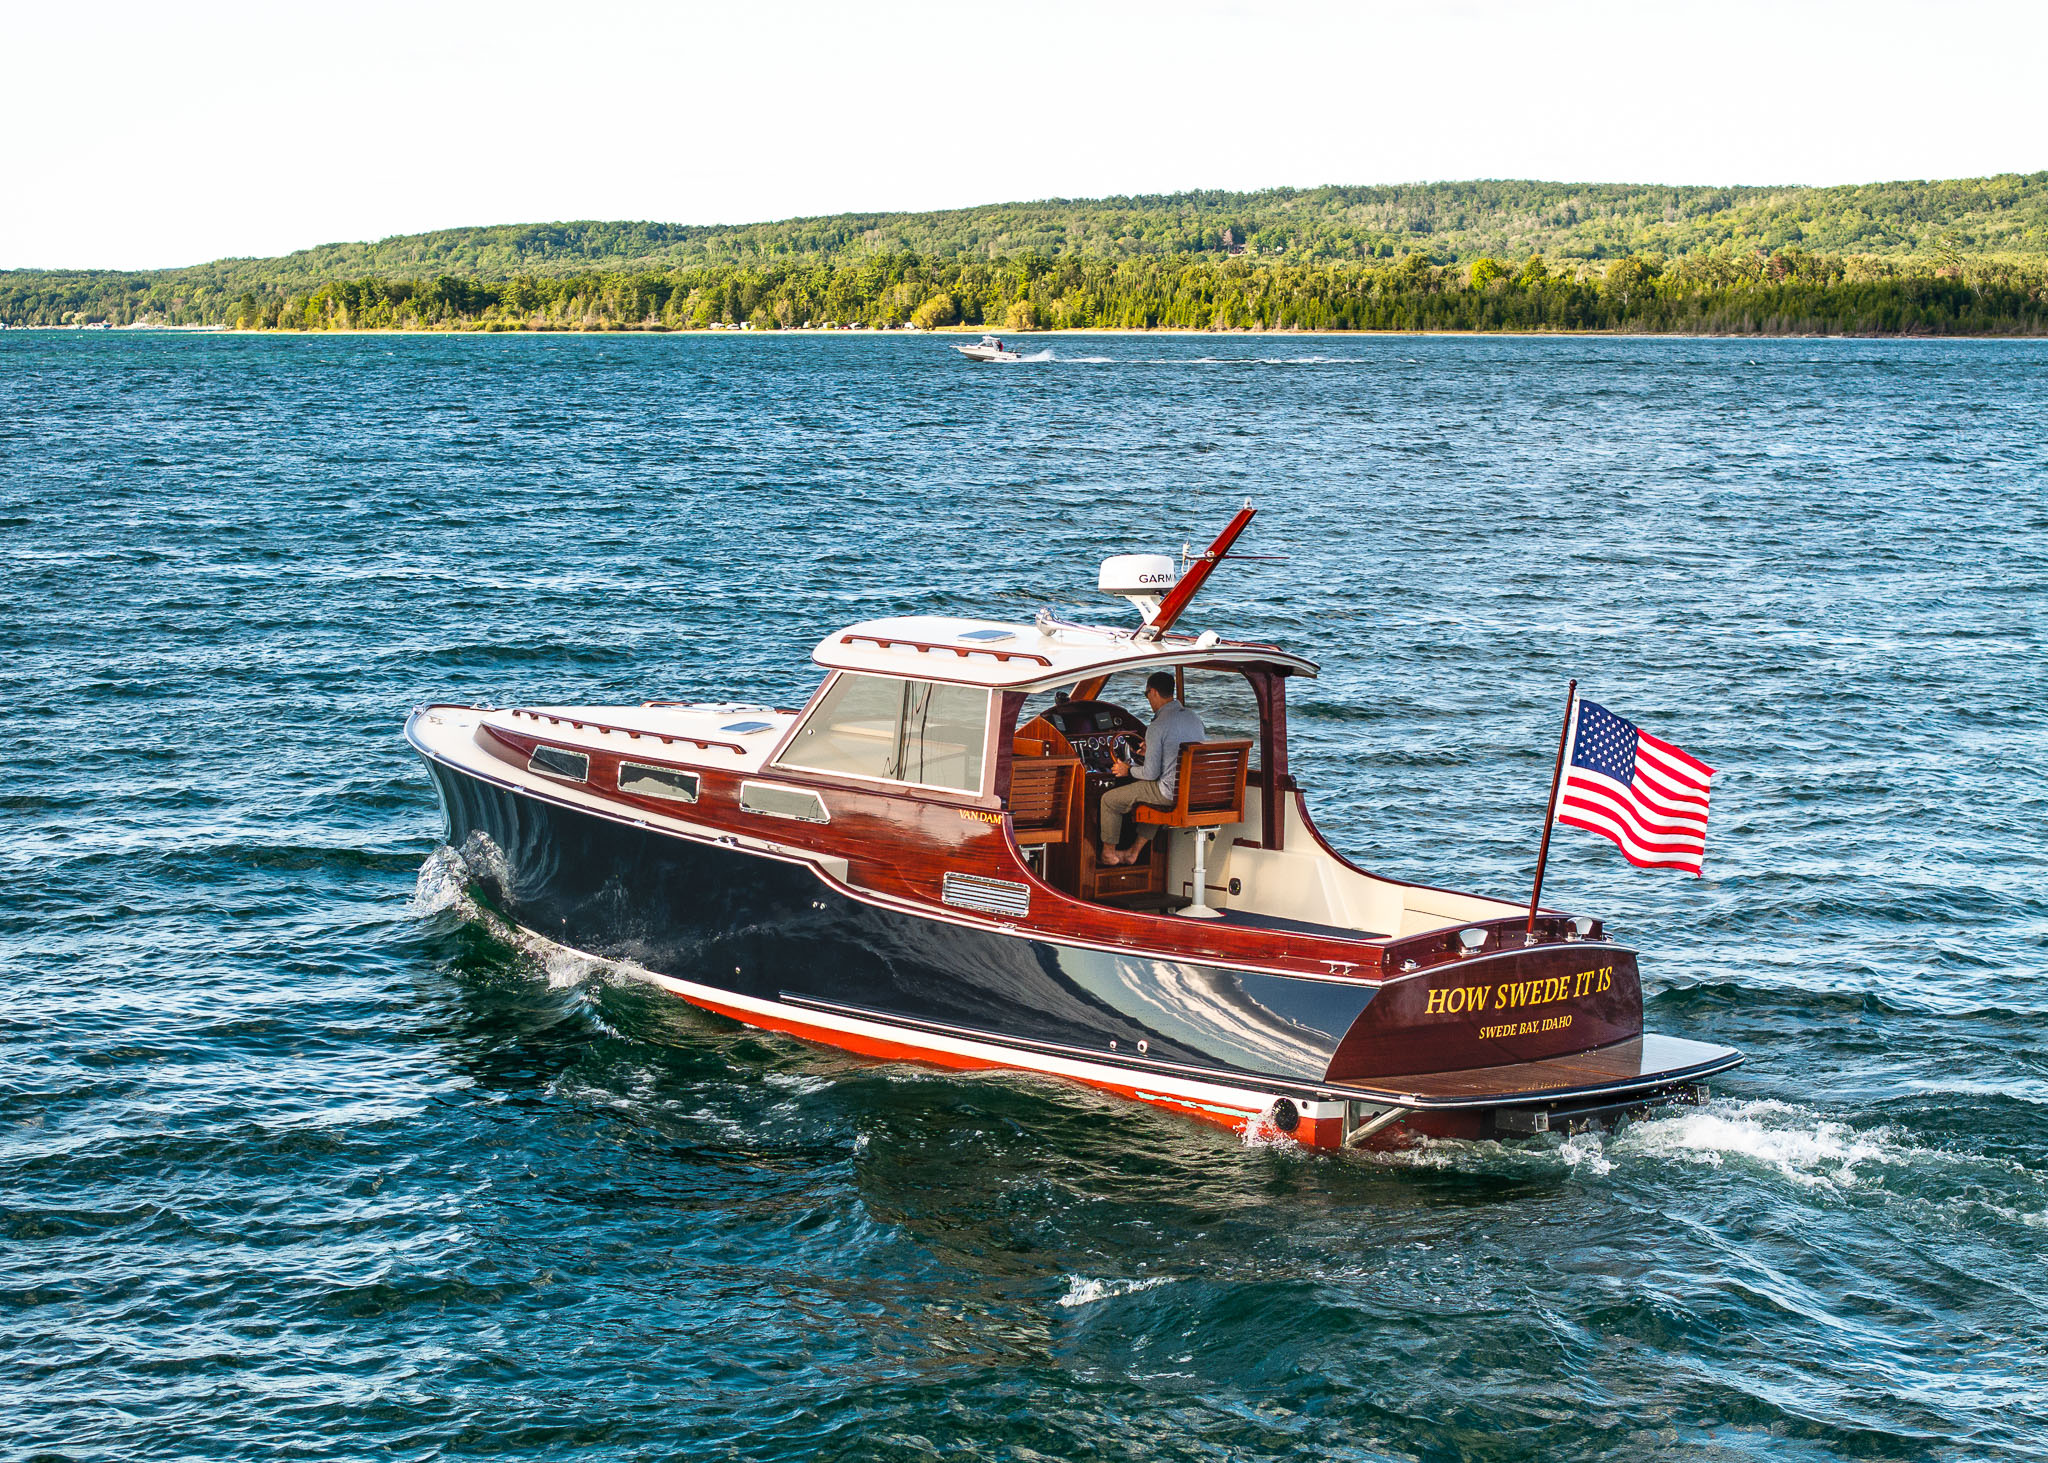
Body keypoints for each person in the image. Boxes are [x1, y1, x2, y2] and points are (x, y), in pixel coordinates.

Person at [1099, 671, 1205, 866]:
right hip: (1195, 790)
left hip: (1169, 793)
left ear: (1154, 692)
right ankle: (1133, 852)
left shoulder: (1159, 725)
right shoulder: (1193, 718)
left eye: (1146, 695)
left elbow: (1150, 774)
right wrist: (1153, 750)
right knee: (1149, 800)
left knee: (1109, 800)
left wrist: (1126, 769)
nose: (1148, 699)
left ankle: (1108, 854)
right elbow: (1176, 750)